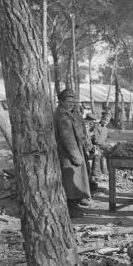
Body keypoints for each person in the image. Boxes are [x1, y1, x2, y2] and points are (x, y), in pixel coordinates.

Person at [54, 89, 93, 218]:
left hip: (77, 149)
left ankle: (76, 201)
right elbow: (68, 139)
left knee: (78, 178)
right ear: (61, 101)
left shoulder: (73, 114)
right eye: (68, 101)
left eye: (73, 101)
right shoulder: (62, 116)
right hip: (67, 153)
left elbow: (81, 133)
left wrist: (88, 146)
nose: (71, 104)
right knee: (70, 179)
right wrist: (76, 156)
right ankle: (70, 207)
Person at [90, 108, 111, 187]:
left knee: (109, 153)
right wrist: (103, 145)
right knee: (97, 154)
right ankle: (95, 174)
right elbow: (95, 140)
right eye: (104, 120)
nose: (105, 122)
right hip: (95, 146)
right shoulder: (97, 126)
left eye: (107, 121)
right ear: (101, 119)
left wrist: (107, 145)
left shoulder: (105, 129)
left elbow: (106, 139)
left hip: (102, 147)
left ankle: (105, 173)